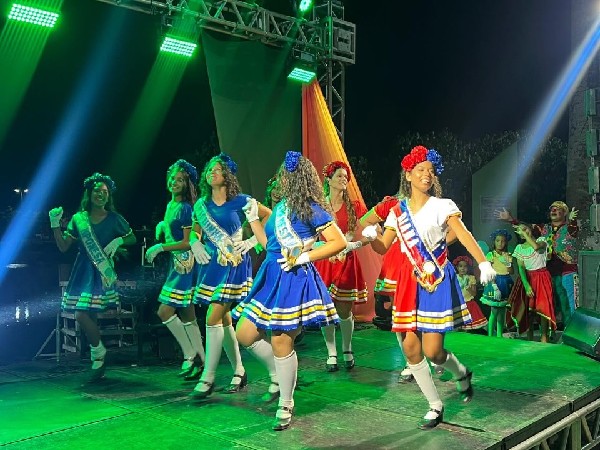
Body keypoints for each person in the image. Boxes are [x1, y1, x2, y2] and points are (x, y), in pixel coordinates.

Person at [363, 145, 496, 429]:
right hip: (409, 282)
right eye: (420, 170)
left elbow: (463, 234)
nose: (426, 175)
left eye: (430, 171)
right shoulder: (397, 212)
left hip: (436, 281)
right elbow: (383, 247)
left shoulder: (442, 206)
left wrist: (483, 262)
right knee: (411, 349)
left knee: (434, 351)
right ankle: (435, 405)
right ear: (408, 175)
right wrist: (372, 236)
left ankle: (461, 372)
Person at [233, 151, 348, 431]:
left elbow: (338, 242)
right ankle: (279, 374)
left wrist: (305, 256)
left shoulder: (310, 207)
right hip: (270, 275)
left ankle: (286, 402)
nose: (281, 178)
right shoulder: (281, 207)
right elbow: (268, 245)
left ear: (297, 178)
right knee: (244, 333)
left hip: (293, 277)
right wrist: (254, 220)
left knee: (281, 341)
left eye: (285, 174)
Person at [188, 152, 271, 399]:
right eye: (209, 170)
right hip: (211, 265)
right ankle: (239, 371)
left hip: (234, 263)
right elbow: (195, 231)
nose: (211, 173)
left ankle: (208, 377)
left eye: (217, 169)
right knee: (223, 319)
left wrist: (253, 240)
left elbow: (268, 214)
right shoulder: (201, 205)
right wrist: (194, 242)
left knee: (213, 315)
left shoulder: (241, 200)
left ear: (227, 175)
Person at [49, 173, 136, 381]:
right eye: (97, 191)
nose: (101, 194)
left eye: (105, 192)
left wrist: (118, 241)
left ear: (109, 196)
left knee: (84, 315)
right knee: (84, 315)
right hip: (82, 271)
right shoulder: (79, 219)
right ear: (89, 193)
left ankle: (98, 355)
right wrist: (55, 224)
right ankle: (98, 359)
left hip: (102, 272)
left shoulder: (114, 218)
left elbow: (132, 237)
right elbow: (63, 247)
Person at [144, 160, 205, 380]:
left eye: (180, 180)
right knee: (188, 315)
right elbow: (174, 228)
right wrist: (163, 225)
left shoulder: (186, 208)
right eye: (173, 178)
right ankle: (201, 360)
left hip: (184, 265)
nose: (174, 182)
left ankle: (190, 354)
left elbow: (188, 242)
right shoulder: (171, 205)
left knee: (164, 311)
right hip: (176, 264)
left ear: (187, 184)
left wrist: (160, 247)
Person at [314, 161, 369, 372]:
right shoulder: (319, 205)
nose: (343, 179)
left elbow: (370, 232)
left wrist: (352, 244)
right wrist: (321, 246)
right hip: (325, 261)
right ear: (328, 179)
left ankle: (347, 348)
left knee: (344, 310)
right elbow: (310, 233)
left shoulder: (354, 206)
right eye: (339, 176)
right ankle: (331, 353)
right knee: (326, 309)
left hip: (346, 260)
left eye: (346, 177)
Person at [495, 202, 578, 327]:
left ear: (565, 213)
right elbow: (526, 228)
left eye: (557, 209)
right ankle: (551, 331)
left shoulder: (569, 227)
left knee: (567, 302)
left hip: (566, 270)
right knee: (550, 303)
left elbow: (573, 229)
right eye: (552, 209)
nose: (553, 211)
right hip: (548, 271)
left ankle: (571, 330)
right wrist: (511, 219)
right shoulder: (544, 228)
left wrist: (572, 220)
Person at [511, 223, 556, 342]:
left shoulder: (542, 240)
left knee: (543, 307)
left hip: (542, 277)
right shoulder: (519, 248)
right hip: (529, 278)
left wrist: (525, 233)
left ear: (530, 229)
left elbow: (536, 247)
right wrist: (526, 285)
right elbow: (521, 268)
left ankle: (544, 336)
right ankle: (529, 337)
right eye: (521, 231)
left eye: (525, 229)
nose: (524, 232)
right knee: (529, 310)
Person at [480, 229, 514, 337]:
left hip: (505, 282)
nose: (500, 243)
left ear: (506, 242)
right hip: (495, 281)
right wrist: (494, 286)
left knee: (502, 311)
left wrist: (507, 263)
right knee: (494, 311)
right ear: (494, 242)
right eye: (498, 241)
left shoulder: (508, 255)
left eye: (503, 241)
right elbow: (489, 271)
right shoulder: (491, 255)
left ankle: (499, 336)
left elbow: (511, 272)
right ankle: (490, 336)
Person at [452, 256, 488, 331]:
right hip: (459, 305)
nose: (463, 268)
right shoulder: (455, 278)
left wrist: (468, 287)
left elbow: (474, 294)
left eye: (465, 266)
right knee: (459, 326)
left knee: (472, 324)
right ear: (457, 267)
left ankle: (491, 332)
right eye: (460, 266)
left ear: (468, 268)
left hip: (470, 304)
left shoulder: (471, 278)